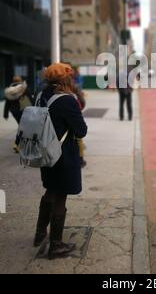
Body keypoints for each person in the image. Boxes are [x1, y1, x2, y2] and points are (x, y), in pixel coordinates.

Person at [33, 63, 88, 260]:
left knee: (50, 189)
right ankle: (55, 246)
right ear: (66, 79)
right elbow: (81, 130)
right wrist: (77, 96)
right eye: (70, 77)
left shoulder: (40, 95)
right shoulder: (66, 100)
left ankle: (40, 233)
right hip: (62, 156)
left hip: (44, 153)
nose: (72, 79)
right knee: (60, 196)